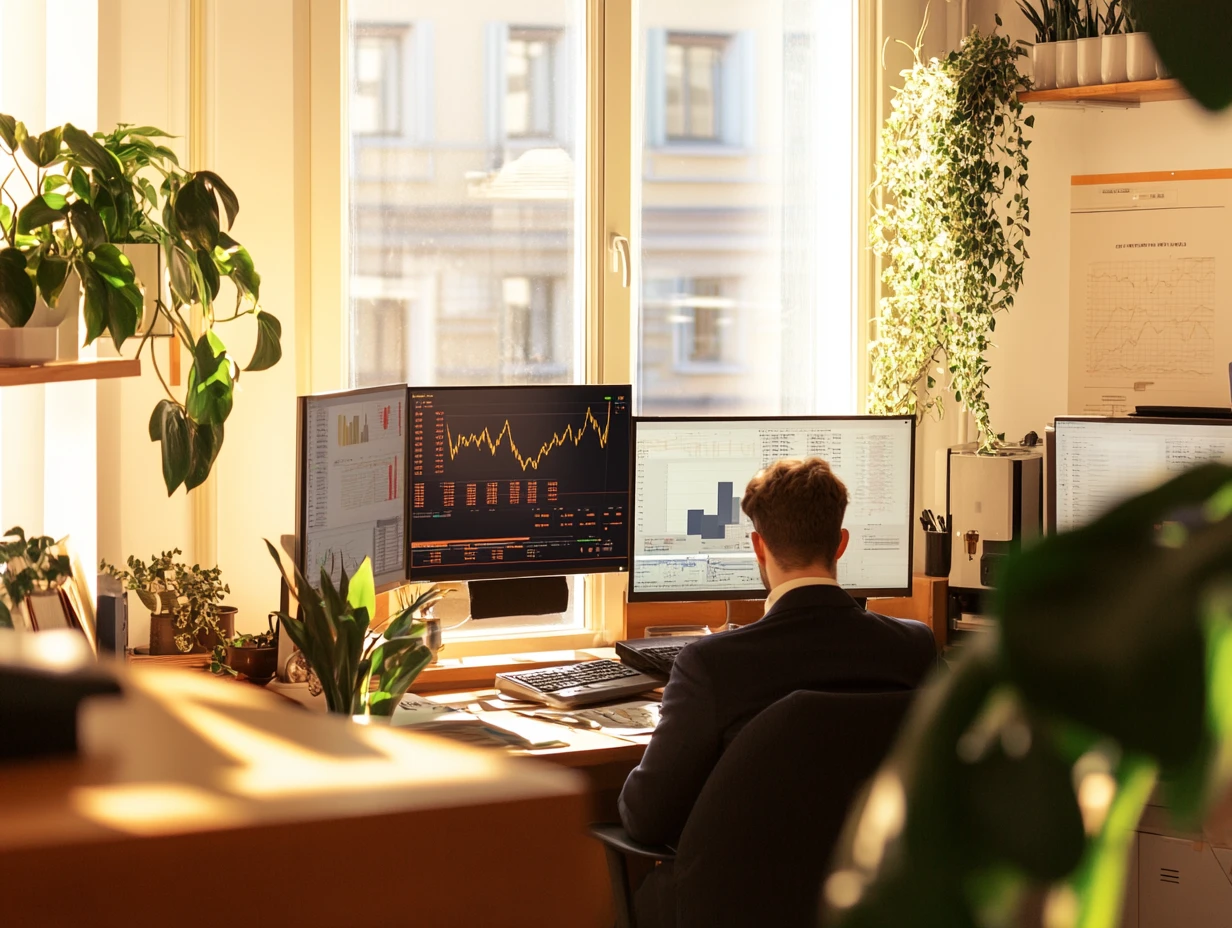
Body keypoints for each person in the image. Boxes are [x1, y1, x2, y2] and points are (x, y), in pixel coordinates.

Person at [617, 457, 936, 928]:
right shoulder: (916, 648)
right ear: (841, 544)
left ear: (758, 546)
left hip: (740, 908)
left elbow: (646, 819)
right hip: (876, 904)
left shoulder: (711, 667)